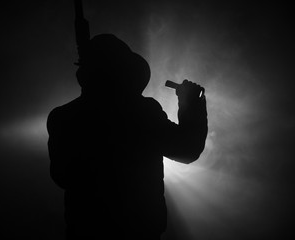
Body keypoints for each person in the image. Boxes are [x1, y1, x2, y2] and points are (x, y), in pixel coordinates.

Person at [47, 34, 207, 240]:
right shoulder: (143, 112)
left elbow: (61, 176)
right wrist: (190, 103)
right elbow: (187, 149)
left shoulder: (63, 117)